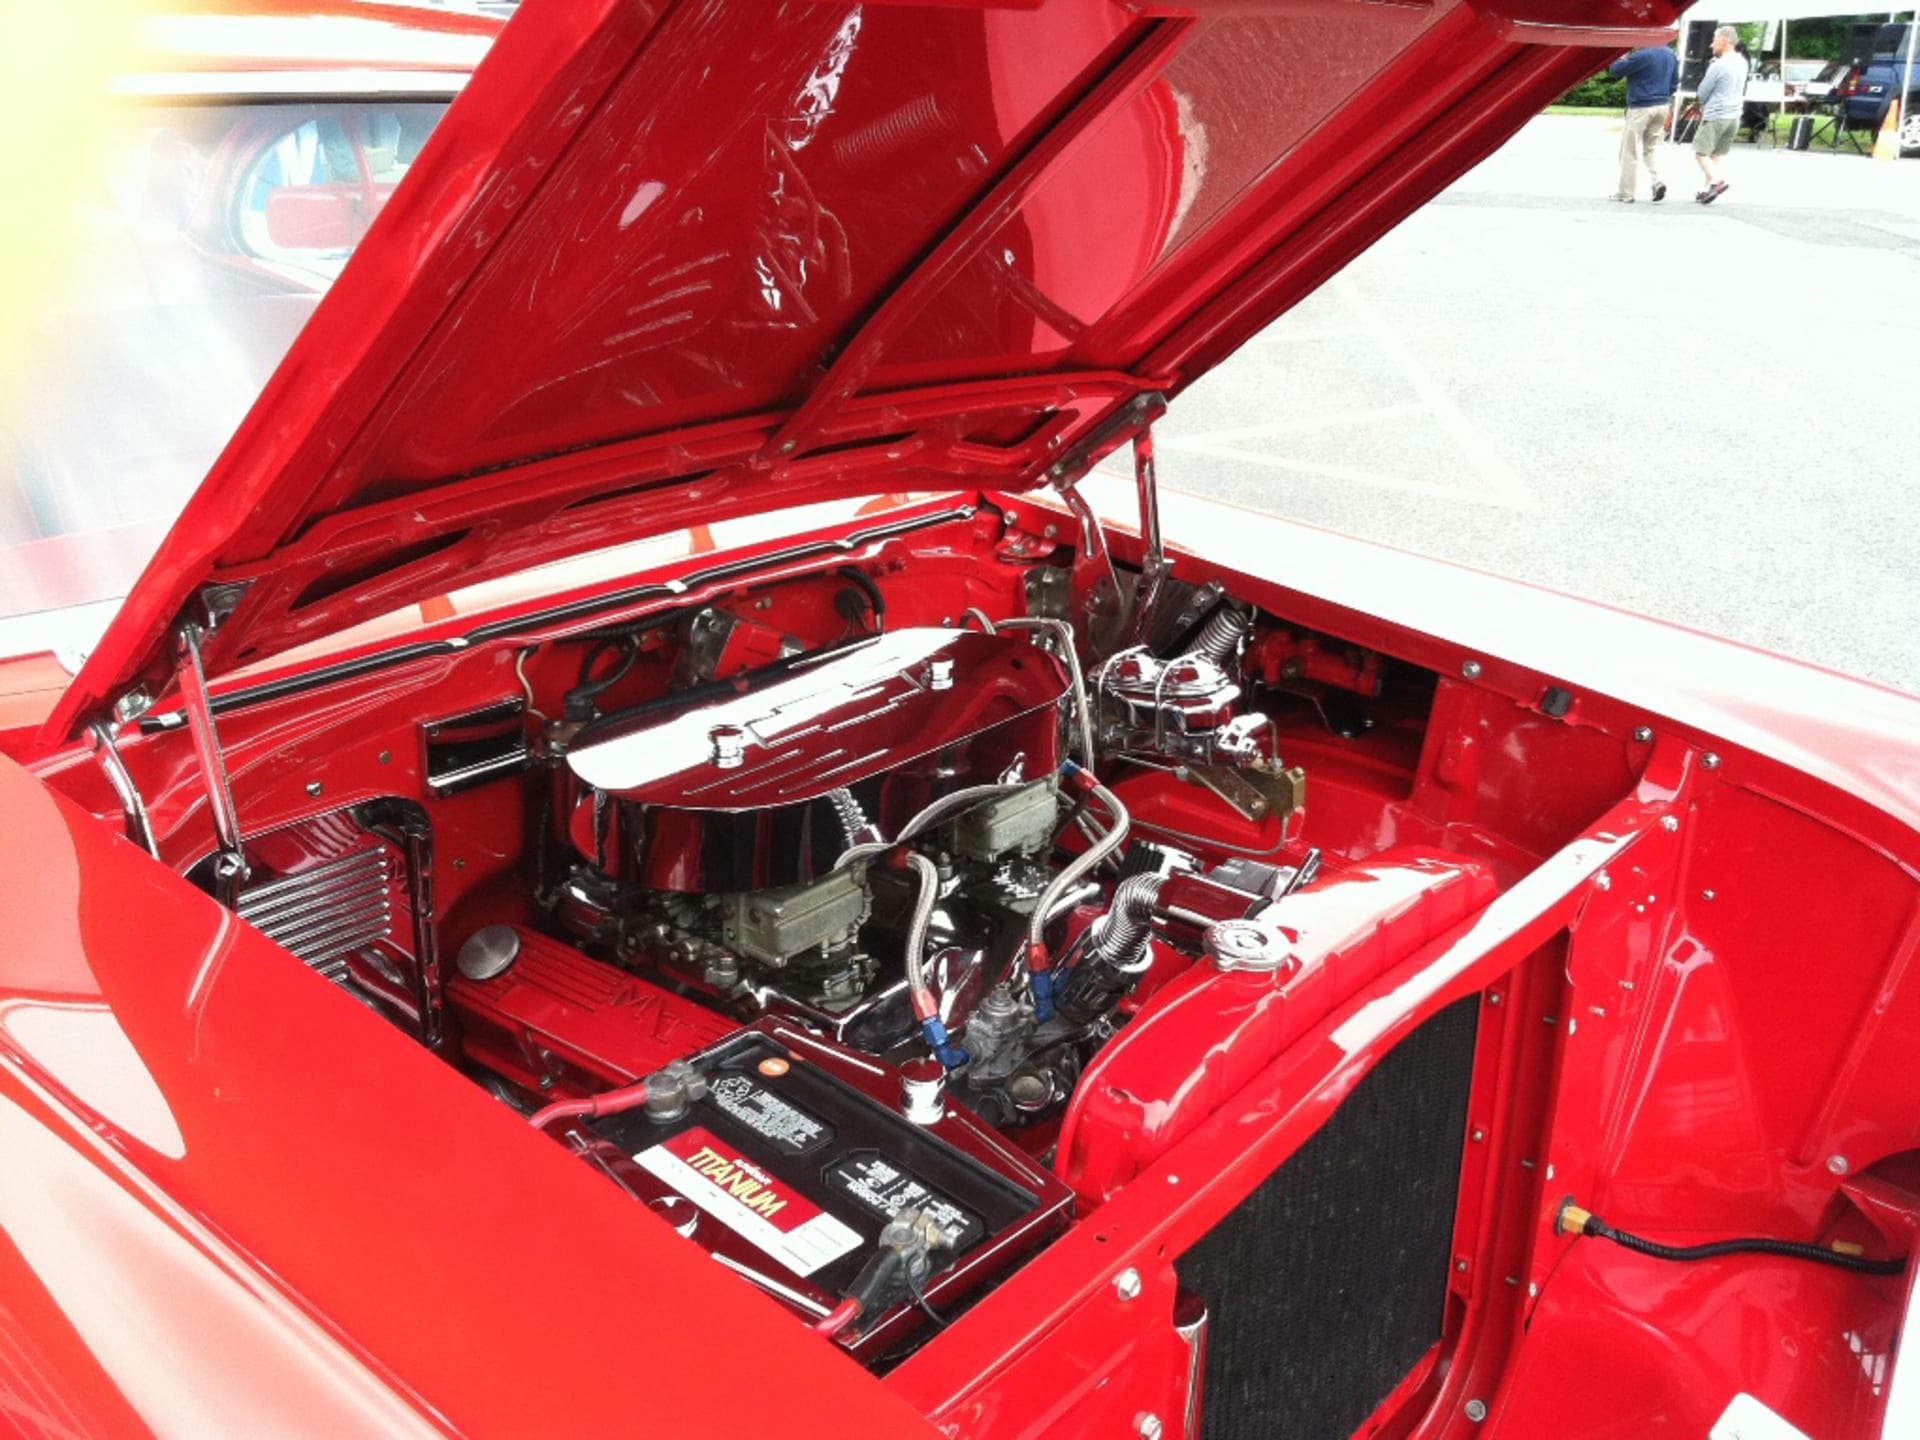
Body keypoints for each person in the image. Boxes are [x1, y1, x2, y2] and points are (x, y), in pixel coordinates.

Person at [1609, 44, 1680, 201]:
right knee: (1651, 148)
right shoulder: (1670, 54)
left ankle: (1626, 193)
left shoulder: (1642, 55)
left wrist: (1621, 55)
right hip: (1662, 106)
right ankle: (1657, 180)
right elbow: (1675, 82)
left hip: (1641, 107)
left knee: (1630, 150)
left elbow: (1615, 70)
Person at [1693, 25, 1749, 204]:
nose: (1711, 45)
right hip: (1734, 115)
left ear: (1724, 40)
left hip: (1717, 114)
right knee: (1716, 154)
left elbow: (1702, 92)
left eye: (1714, 40)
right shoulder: (1742, 62)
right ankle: (1706, 190)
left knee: (1701, 152)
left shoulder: (1719, 65)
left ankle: (1717, 181)